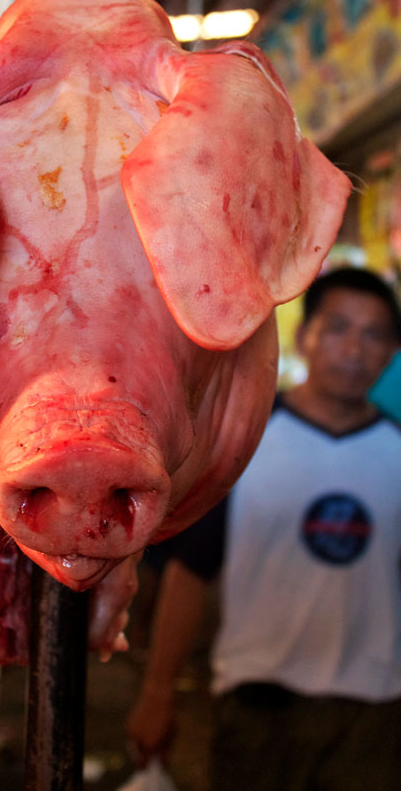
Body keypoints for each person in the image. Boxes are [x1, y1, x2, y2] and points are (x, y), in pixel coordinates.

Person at [126, 266, 401, 791]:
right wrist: (158, 693)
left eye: (374, 335)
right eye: (338, 327)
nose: (353, 349)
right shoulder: (243, 447)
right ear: (305, 336)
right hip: (257, 707)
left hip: (374, 714)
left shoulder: (398, 452)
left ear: (391, 353)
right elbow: (188, 574)